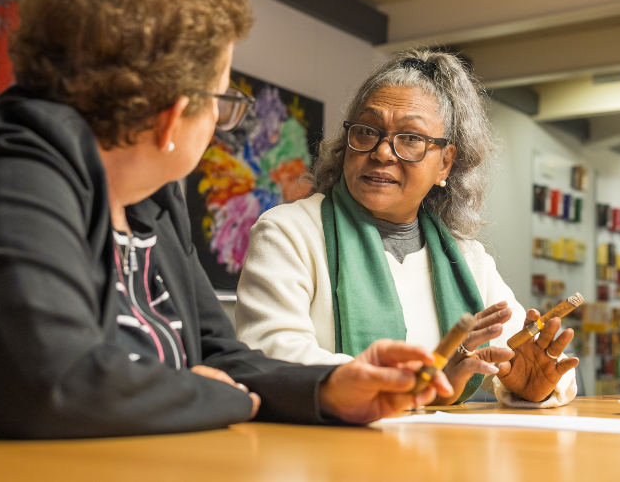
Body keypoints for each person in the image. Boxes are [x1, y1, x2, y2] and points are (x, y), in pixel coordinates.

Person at [0, 0, 452, 439]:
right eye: (221, 100)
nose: (220, 120)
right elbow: (52, 388)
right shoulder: (9, 164)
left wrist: (328, 388)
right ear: (173, 115)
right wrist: (225, 401)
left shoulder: (153, 194)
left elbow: (218, 354)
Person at [235, 50, 578, 407]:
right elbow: (271, 356)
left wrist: (531, 385)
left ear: (445, 163)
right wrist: (416, 385)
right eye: (367, 131)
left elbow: (529, 356)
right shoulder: (289, 232)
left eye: (411, 138)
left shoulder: (467, 260)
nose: (382, 152)